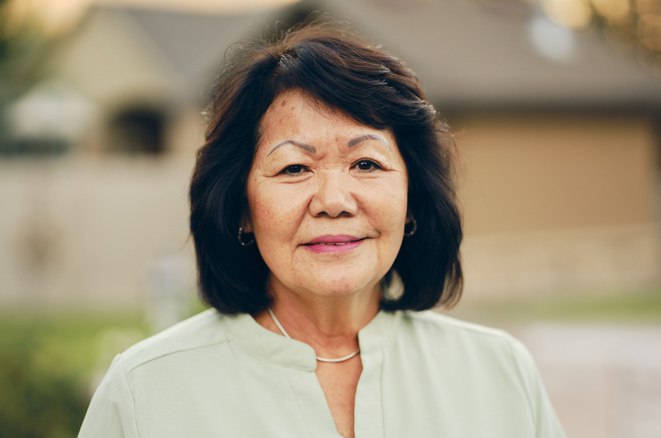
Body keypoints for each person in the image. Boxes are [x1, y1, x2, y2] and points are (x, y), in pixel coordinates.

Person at [78, 21, 566, 438]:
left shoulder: (499, 373)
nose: (334, 201)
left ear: (413, 197)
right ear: (241, 208)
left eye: (367, 163)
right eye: (294, 168)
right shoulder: (145, 392)